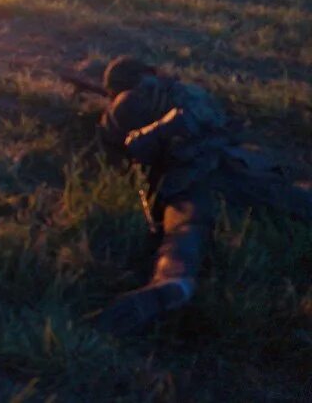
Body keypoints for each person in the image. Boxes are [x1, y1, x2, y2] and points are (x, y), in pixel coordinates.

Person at [91, 56, 312, 335]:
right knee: (286, 195)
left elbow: (117, 153)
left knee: (186, 229)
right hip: (228, 161)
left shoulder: (125, 103)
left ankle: (173, 280)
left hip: (182, 174)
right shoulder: (188, 92)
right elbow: (220, 123)